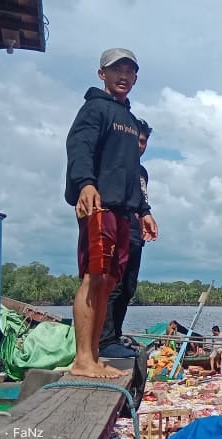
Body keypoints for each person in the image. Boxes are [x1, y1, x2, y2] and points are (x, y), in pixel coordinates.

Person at [65, 48, 158, 378]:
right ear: (102, 73)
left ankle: (96, 353)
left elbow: (132, 169)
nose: (124, 76)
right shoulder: (94, 109)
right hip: (99, 204)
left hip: (124, 209)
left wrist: (143, 209)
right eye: (117, 69)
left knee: (108, 282)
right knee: (93, 277)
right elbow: (79, 148)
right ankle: (82, 360)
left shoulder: (130, 121)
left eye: (130, 71)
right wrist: (85, 184)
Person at [99, 118, 157, 359]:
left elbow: (141, 201)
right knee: (113, 285)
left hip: (135, 235)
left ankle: (115, 336)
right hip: (117, 229)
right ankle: (104, 340)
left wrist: (146, 217)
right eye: (137, 140)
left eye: (144, 141)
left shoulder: (141, 171)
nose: (140, 145)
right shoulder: (116, 166)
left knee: (128, 288)